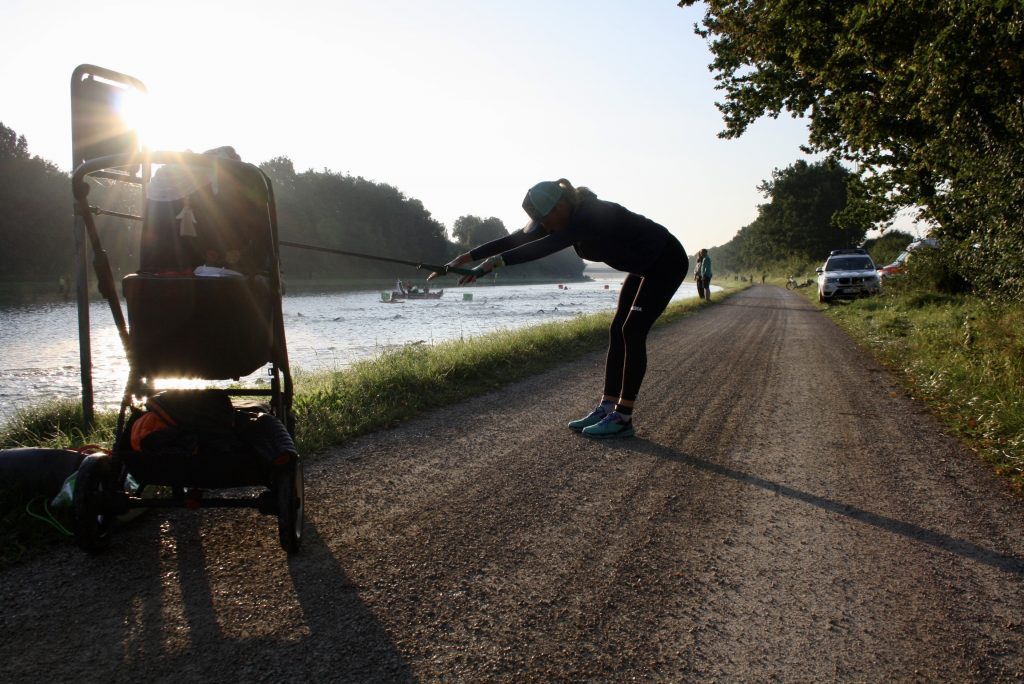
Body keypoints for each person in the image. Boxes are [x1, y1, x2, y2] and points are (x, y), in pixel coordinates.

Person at [430, 178, 688, 438]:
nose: (543, 226)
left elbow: (543, 248)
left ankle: (623, 418)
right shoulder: (561, 219)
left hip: (666, 261)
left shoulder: (589, 216)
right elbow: (517, 240)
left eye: (543, 219)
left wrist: (491, 264)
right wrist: (467, 257)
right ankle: (608, 406)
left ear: (561, 207)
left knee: (632, 331)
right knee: (617, 329)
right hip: (642, 267)